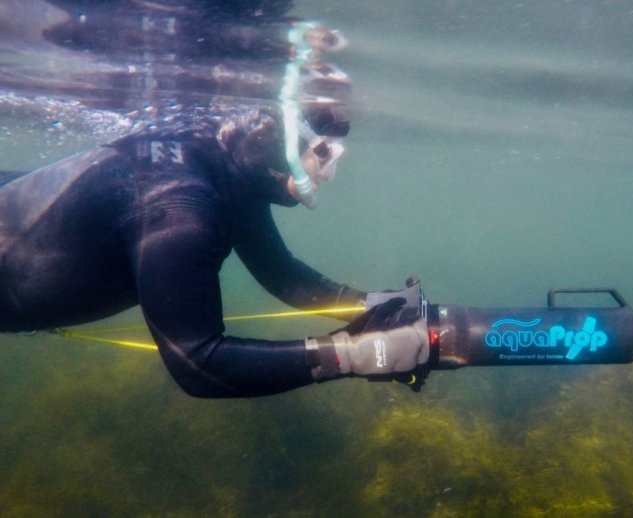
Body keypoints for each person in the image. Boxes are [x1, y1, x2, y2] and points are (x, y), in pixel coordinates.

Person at [0, 1, 430, 398]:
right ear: (283, 138)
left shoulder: (228, 174)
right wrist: (358, 355)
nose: (327, 174)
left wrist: (376, 307)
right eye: (323, 153)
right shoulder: (179, 206)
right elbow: (199, 364)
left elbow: (281, 275)